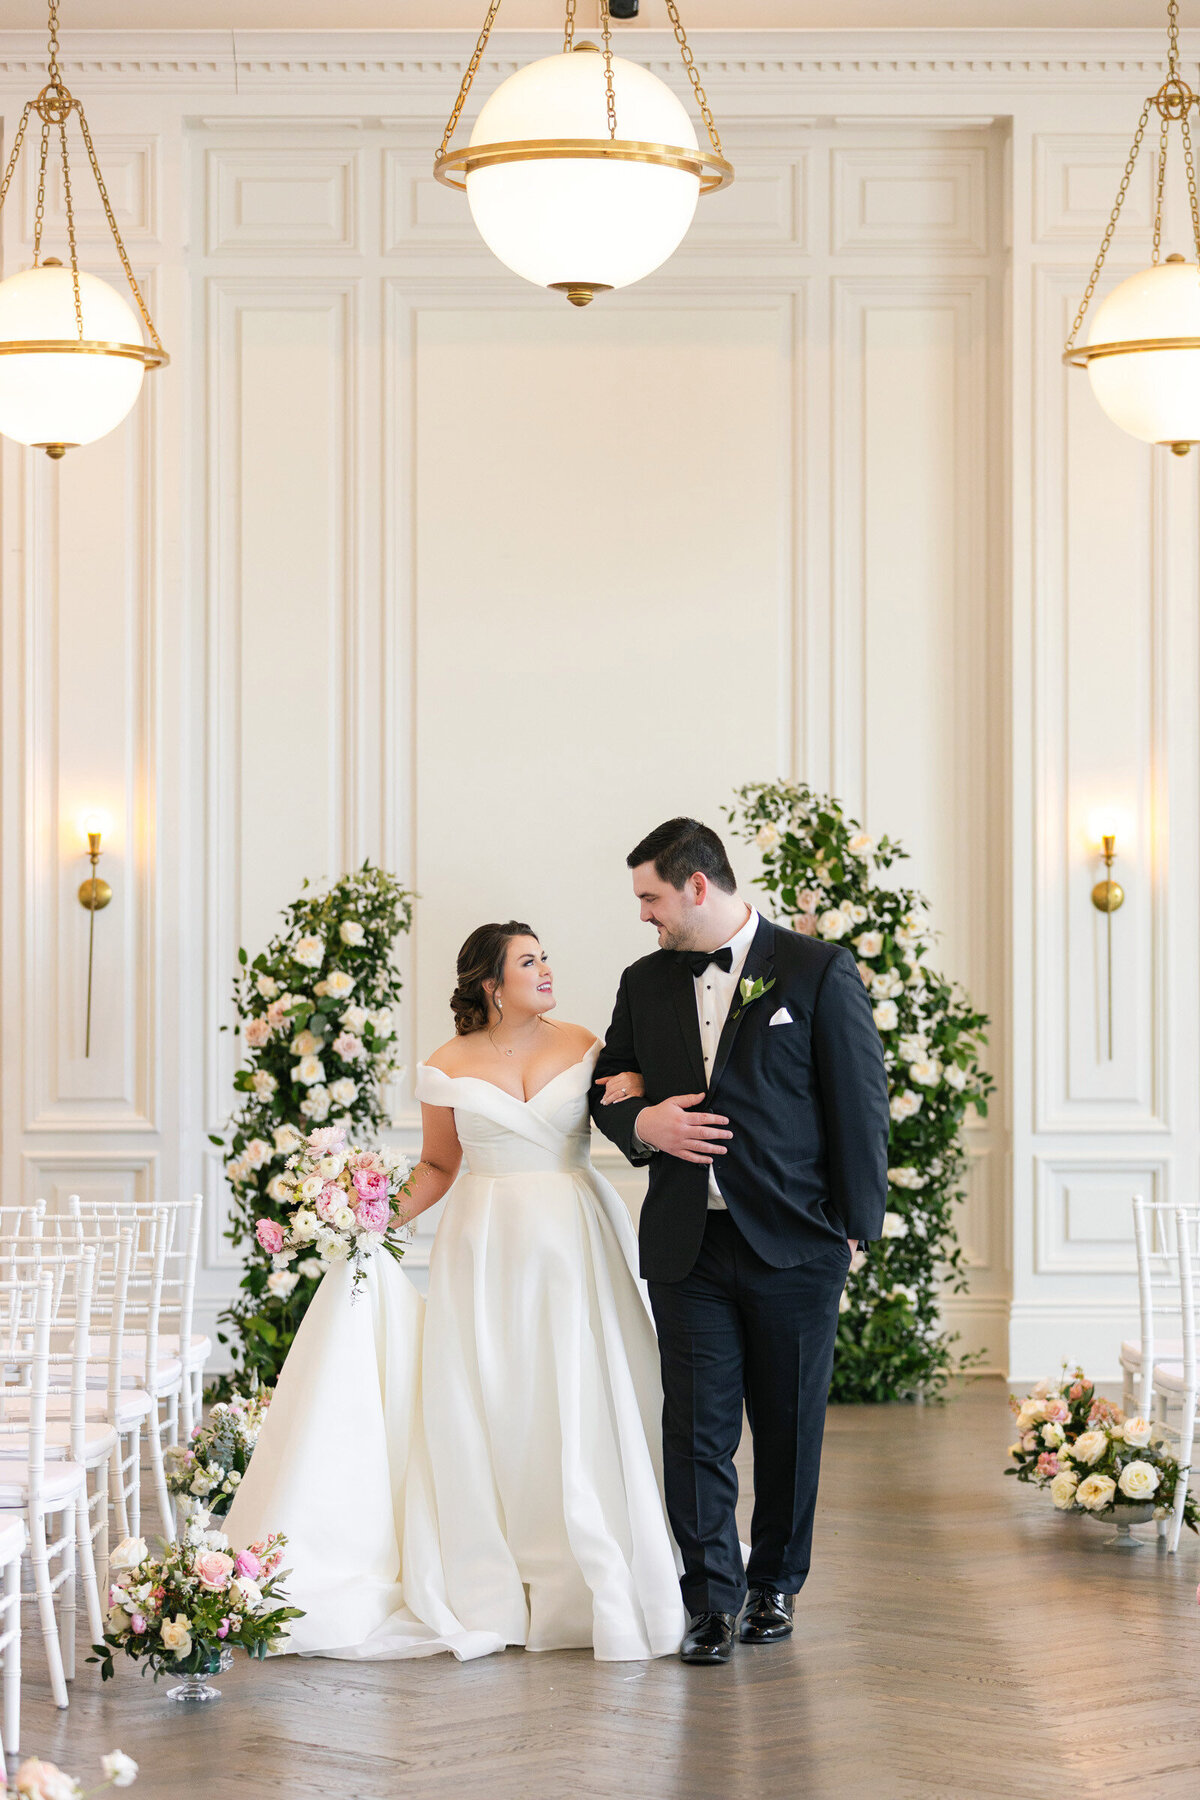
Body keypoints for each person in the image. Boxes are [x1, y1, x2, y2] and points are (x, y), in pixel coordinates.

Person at [226, 920, 685, 1662]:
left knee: (584, 1390)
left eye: (545, 954)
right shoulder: (447, 1063)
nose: (546, 968)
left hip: (577, 1237)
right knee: (497, 1394)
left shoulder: (588, 1046)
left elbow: (628, 1114)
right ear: (489, 985)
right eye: (528, 960)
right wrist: (361, 1216)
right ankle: (496, 1567)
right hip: (486, 1245)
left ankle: (597, 1561)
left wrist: (637, 1090)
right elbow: (439, 1169)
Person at [590, 817, 890, 1665]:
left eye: (651, 897)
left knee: (790, 1426)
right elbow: (607, 1090)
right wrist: (642, 1121)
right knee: (695, 1431)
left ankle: (775, 1587)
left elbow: (860, 1108)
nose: (644, 915)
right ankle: (711, 1601)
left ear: (696, 885)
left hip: (798, 1244)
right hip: (690, 1244)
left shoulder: (816, 970)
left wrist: (855, 1234)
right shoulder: (643, 982)